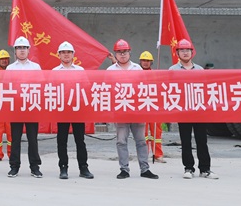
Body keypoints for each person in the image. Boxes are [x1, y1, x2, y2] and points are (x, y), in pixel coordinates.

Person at [106, 39, 159, 180]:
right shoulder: (110, 71)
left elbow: (144, 88)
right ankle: (124, 169)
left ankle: (145, 169)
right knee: (121, 141)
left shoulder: (137, 69)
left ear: (130, 53)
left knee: (141, 141)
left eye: (125, 52)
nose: (122, 55)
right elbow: (107, 90)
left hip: (137, 111)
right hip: (120, 111)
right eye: (119, 52)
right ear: (115, 54)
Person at [168, 39, 218, 179]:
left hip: (198, 109)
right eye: (182, 50)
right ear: (177, 53)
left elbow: (205, 89)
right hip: (183, 110)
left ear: (192, 52)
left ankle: (205, 169)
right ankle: (188, 168)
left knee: (202, 140)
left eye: (188, 50)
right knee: (186, 141)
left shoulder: (200, 70)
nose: (185, 53)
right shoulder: (172, 70)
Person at [52, 41, 93, 180]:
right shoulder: (55, 72)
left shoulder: (80, 70)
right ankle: (63, 168)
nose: (66, 55)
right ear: (59, 55)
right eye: (63, 52)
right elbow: (51, 89)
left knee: (80, 140)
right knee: (61, 140)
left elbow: (86, 88)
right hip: (62, 109)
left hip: (77, 109)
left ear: (73, 54)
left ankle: (83, 168)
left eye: (69, 52)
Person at [6, 36, 42, 178]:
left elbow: (41, 86)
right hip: (16, 108)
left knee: (33, 138)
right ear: (15, 51)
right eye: (19, 48)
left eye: (24, 48)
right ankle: (14, 166)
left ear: (28, 50)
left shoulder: (35, 67)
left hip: (32, 106)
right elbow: (6, 88)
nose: (22, 50)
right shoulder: (10, 68)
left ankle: (35, 167)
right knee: (15, 138)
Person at [139, 51, 165, 163]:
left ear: (152, 62)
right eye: (144, 60)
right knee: (143, 133)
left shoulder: (156, 74)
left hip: (154, 106)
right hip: (141, 106)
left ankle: (158, 154)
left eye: (148, 61)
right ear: (140, 61)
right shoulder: (136, 73)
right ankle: (144, 154)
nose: (145, 62)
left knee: (156, 133)